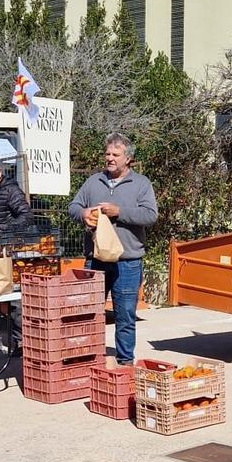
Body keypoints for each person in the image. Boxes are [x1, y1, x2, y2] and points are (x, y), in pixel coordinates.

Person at [69, 132, 158, 365]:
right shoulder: (93, 181)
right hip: (96, 260)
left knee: (125, 315)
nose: (109, 158)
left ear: (127, 158)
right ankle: (89, 360)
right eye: (107, 153)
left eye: (115, 154)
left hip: (127, 261)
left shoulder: (141, 184)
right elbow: (74, 205)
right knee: (89, 314)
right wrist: (83, 213)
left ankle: (125, 363)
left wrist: (119, 212)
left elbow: (150, 215)